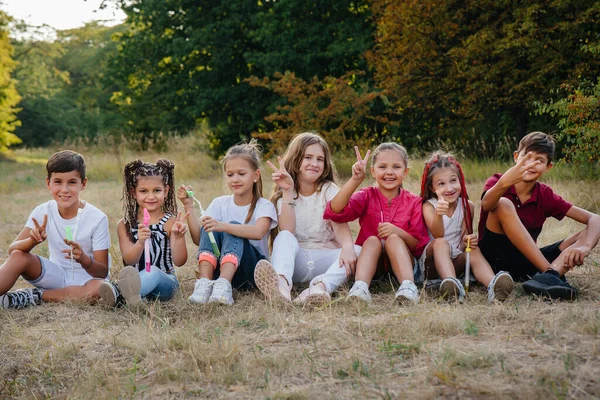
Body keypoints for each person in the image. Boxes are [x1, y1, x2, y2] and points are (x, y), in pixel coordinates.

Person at [478, 131, 600, 300]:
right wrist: (505, 182)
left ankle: (547, 278)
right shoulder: (498, 181)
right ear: (516, 157)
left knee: (588, 231)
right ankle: (551, 274)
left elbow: (595, 219)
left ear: (548, 167)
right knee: (503, 203)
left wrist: (584, 246)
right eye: (527, 157)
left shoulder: (544, 195)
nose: (531, 164)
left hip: (526, 264)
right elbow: (487, 205)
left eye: (539, 160)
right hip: (492, 262)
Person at [253, 132, 361, 308]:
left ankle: (318, 288)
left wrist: (348, 248)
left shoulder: (328, 190)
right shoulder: (284, 195)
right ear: (296, 161)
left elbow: (339, 224)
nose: (314, 163)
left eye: (320, 159)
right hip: (297, 263)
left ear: (325, 164)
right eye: (308, 157)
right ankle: (282, 286)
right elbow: (288, 230)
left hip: (325, 258)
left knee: (358, 249)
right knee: (284, 237)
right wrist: (288, 191)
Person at [0, 150, 110, 309]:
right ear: (48, 183)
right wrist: (31, 241)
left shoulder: (98, 218)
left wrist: (84, 259)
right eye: (58, 182)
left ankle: (36, 296)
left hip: (87, 279)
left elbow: (102, 271)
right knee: (19, 256)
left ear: (83, 184)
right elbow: (12, 250)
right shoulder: (42, 211)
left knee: (100, 289)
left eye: (72, 182)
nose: (64, 189)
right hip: (55, 275)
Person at [324, 143, 429, 304]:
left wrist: (398, 232)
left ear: (405, 172)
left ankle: (408, 287)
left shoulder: (414, 201)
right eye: (382, 167)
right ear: (373, 171)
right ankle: (360, 288)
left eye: (396, 167)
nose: (389, 172)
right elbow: (335, 211)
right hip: (373, 266)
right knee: (372, 240)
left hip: (405, 264)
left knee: (393, 239)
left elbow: (418, 245)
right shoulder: (367, 195)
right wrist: (355, 180)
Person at [185, 140, 278, 305]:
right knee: (210, 225)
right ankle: (205, 284)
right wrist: (189, 208)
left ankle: (224, 284)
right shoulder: (219, 203)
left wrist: (222, 226)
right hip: (220, 267)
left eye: (241, 174)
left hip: (251, 270)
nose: (235, 179)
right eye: (230, 175)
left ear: (255, 176)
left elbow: (258, 233)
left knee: (232, 226)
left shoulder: (264, 206)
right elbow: (201, 240)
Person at [419, 152, 514, 302]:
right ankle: (452, 286)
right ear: (431, 187)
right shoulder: (429, 206)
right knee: (441, 243)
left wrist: (468, 240)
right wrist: (439, 214)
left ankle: (493, 285)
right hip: (432, 267)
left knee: (473, 249)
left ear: (460, 180)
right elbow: (438, 234)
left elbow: (464, 240)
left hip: (455, 260)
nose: (449, 188)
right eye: (441, 184)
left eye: (453, 180)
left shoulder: (466, 206)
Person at [98, 159, 189, 307]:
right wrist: (140, 242)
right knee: (133, 273)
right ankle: (133, 297)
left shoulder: (170, 222)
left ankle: (119, 294)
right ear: (133, 193)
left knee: (152, 271)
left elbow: (180, 261)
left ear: (166, 191)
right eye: (143, 191)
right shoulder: (125, 225)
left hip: (166, 283)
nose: (151, 196)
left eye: (157, 190)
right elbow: (129, 260)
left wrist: (178, 237)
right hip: (138, 277)